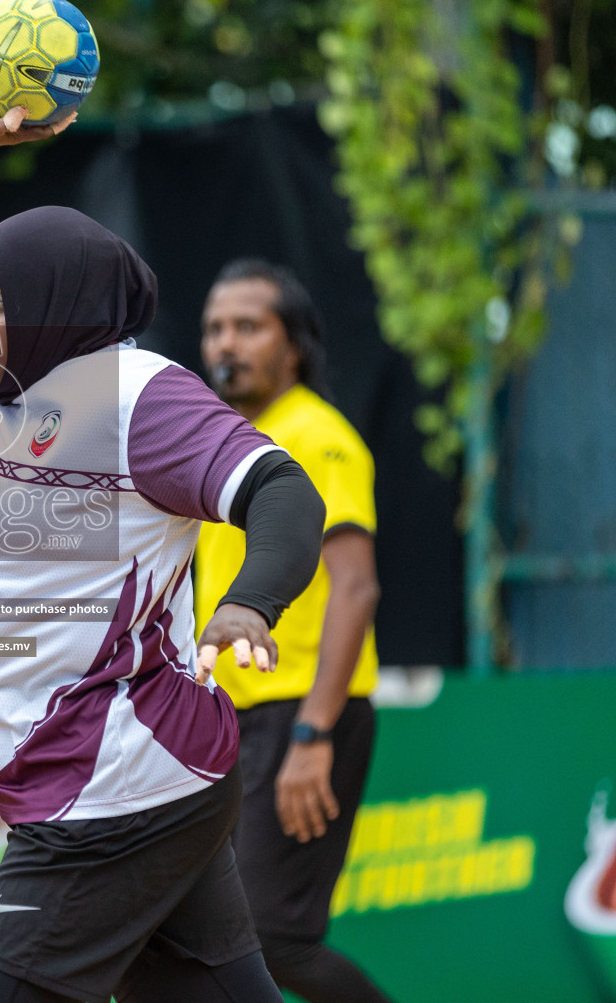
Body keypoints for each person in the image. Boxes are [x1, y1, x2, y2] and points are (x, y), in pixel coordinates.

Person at [0, 104, 326, 1003]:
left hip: (114, 789)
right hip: (112, 779)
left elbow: (284, 492)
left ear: (62, 306)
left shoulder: (138, 401)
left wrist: (251, 603)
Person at [194, 260, 393, 1003]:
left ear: (295, 346)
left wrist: (314, 736)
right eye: (215, 327)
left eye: (250, 326)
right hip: (234, 721)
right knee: (208, 934)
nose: (227, 343)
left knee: (275, 940)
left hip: (304, 716)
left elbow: (357, 585)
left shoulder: (316, 436)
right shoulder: (227, 443)